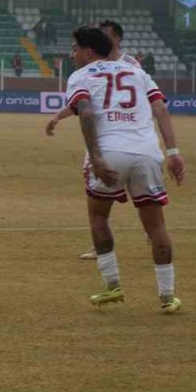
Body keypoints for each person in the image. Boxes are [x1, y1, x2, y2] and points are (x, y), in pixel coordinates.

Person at [58, 26, 186, 313]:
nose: (72, 54)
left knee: (99, 216)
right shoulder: (138, 72)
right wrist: (174, 153)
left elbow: (87, 112)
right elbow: (161, 110)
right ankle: (167, 297)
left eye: (75, 48)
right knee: (156, 227)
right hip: (147, 154)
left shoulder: (80, 76)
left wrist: (96, 156)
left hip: (111, 152)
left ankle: (112, 285)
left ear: (88, 51)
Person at [45, 18, 143, 260]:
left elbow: (144, 99)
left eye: (106, 35)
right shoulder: (91, 69)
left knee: (137, 190)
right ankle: (99, 246)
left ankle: (151, 231)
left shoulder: (130, 65)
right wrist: (59, 115)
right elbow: (84, 103)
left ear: (117, 39)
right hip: (101, 138)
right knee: (98, 194)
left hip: (129, 136)